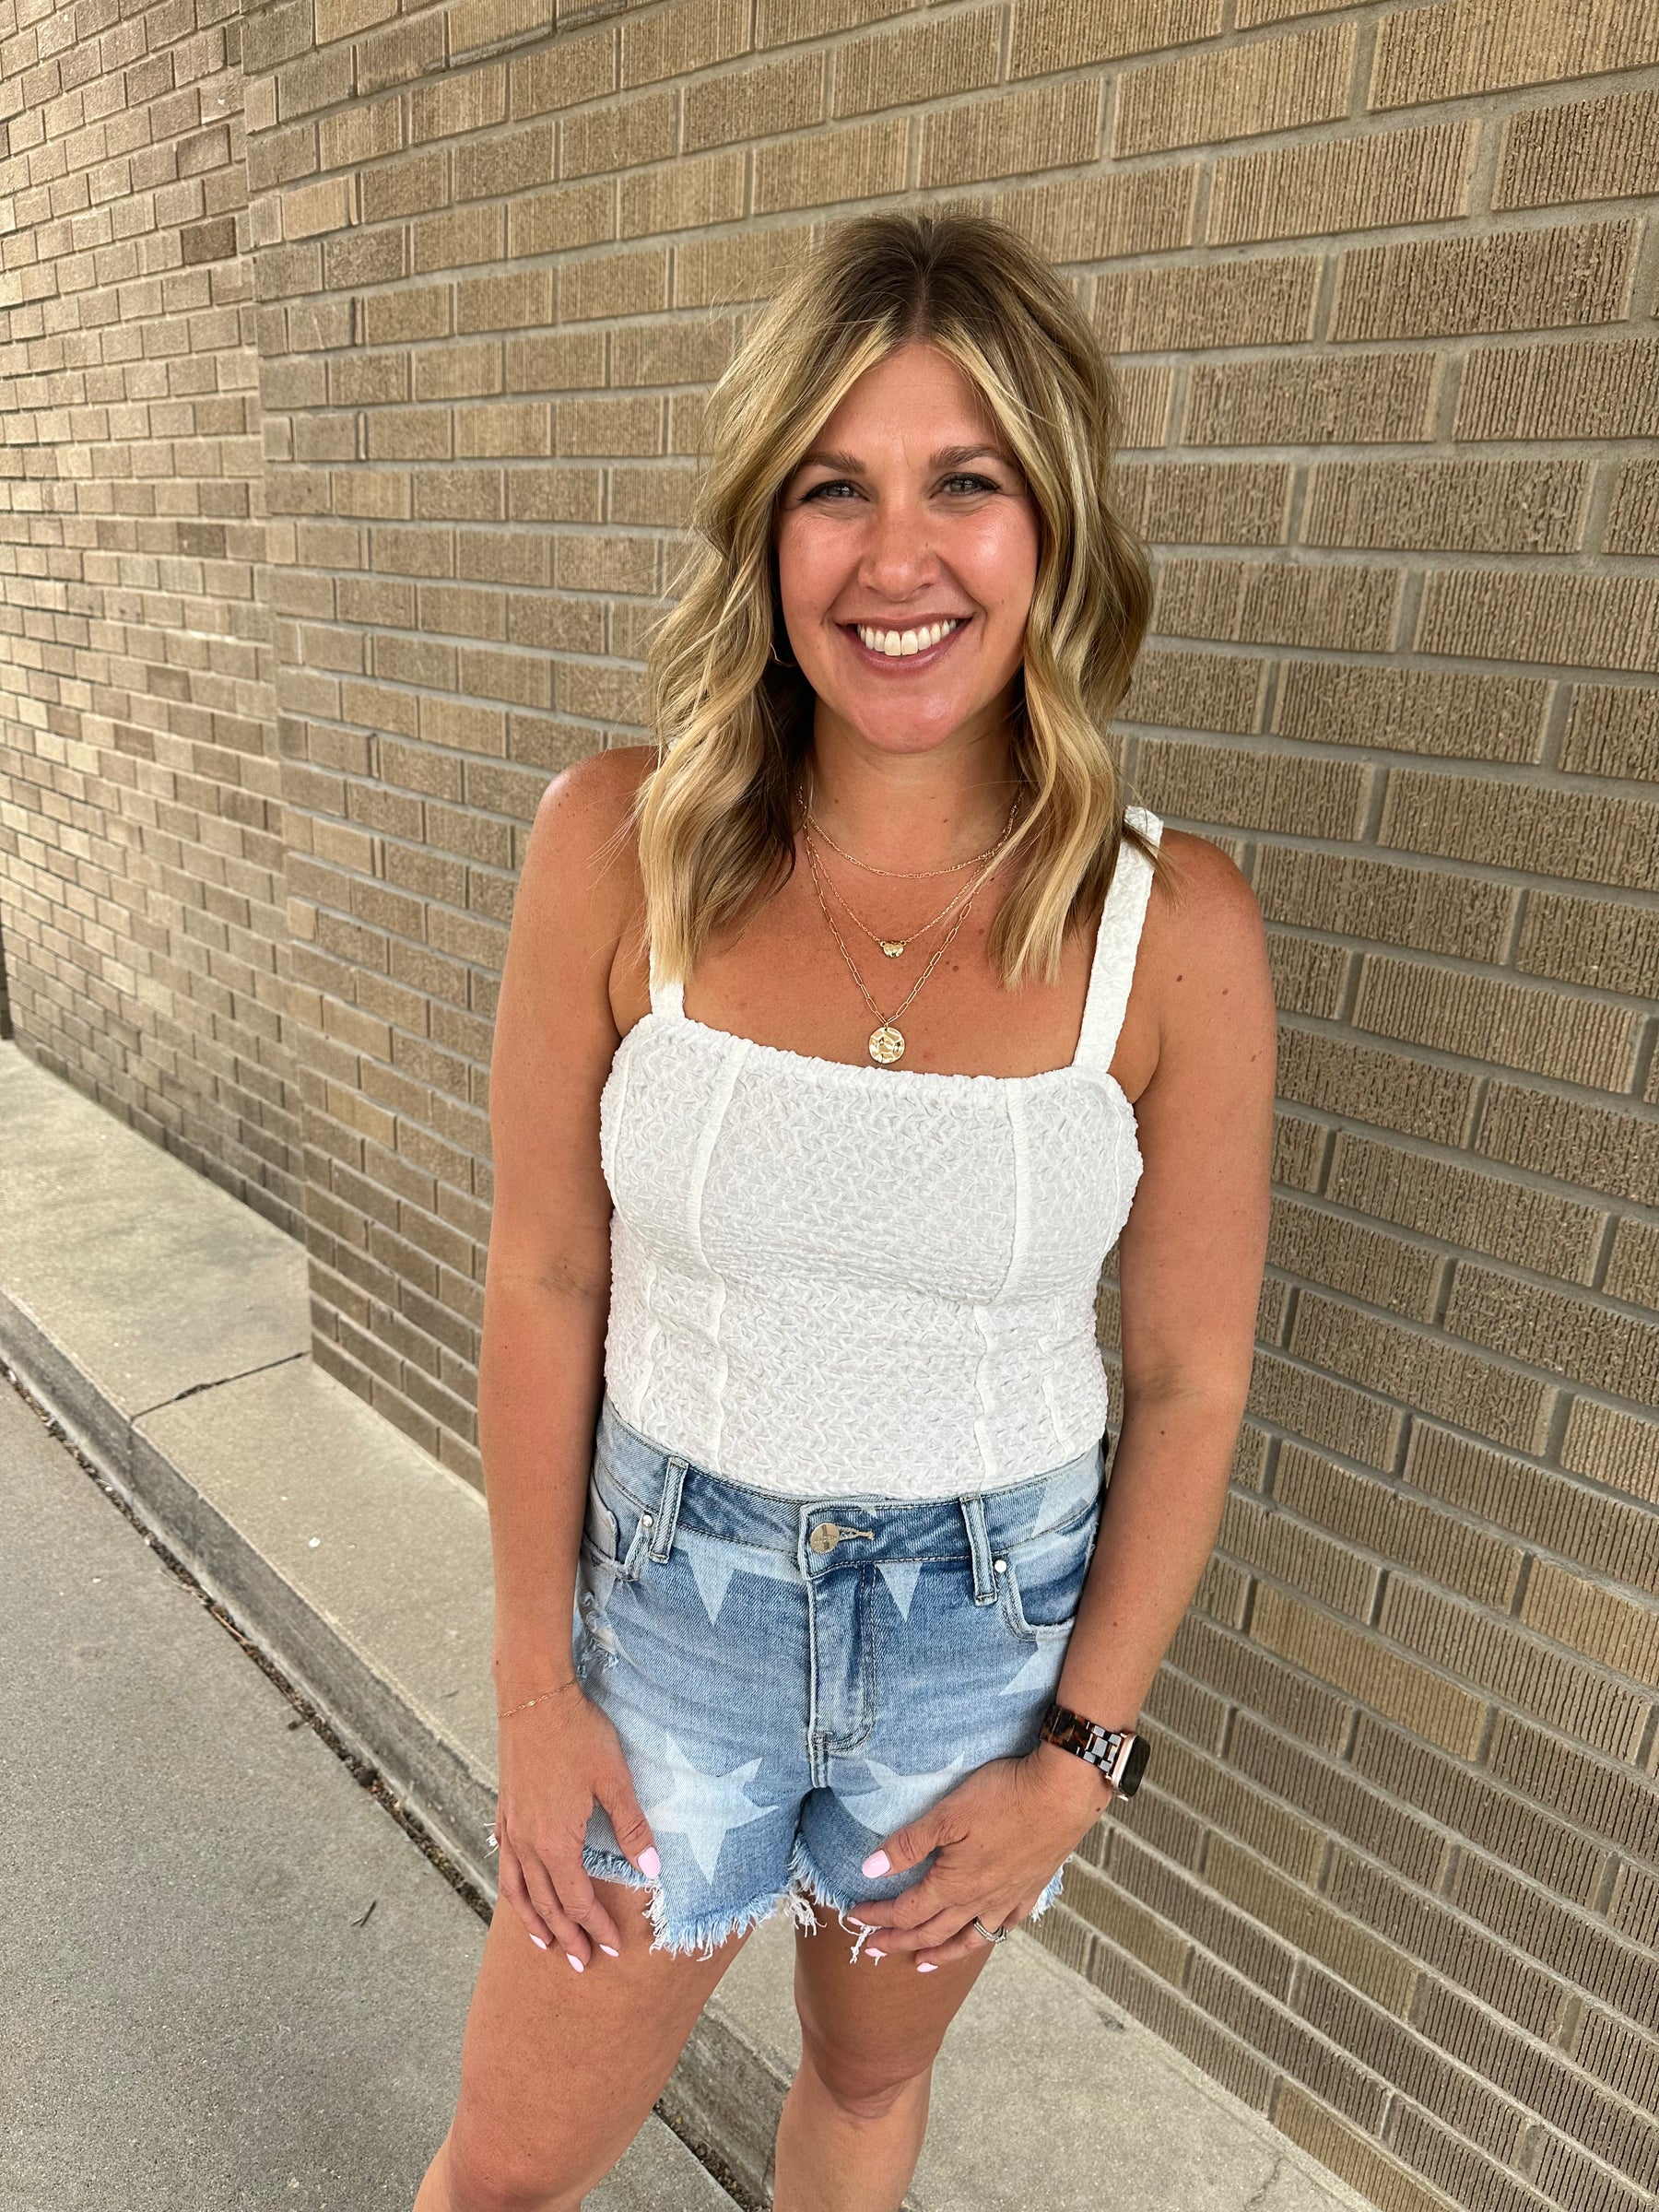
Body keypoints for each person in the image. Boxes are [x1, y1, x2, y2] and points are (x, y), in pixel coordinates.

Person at [413, 208, 1276, 2212]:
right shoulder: (610, 850)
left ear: (1049, 525)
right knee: (512, 2170)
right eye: (835, 491)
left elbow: (1193, 1374)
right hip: (667, 1628)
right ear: (765, 534)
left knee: (867, 2090)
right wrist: (535, 1693)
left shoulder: (1179, 932)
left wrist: (1084, 1760)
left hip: (989, 1641)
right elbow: (544, 1274)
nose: (900, 558)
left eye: (963, 484)